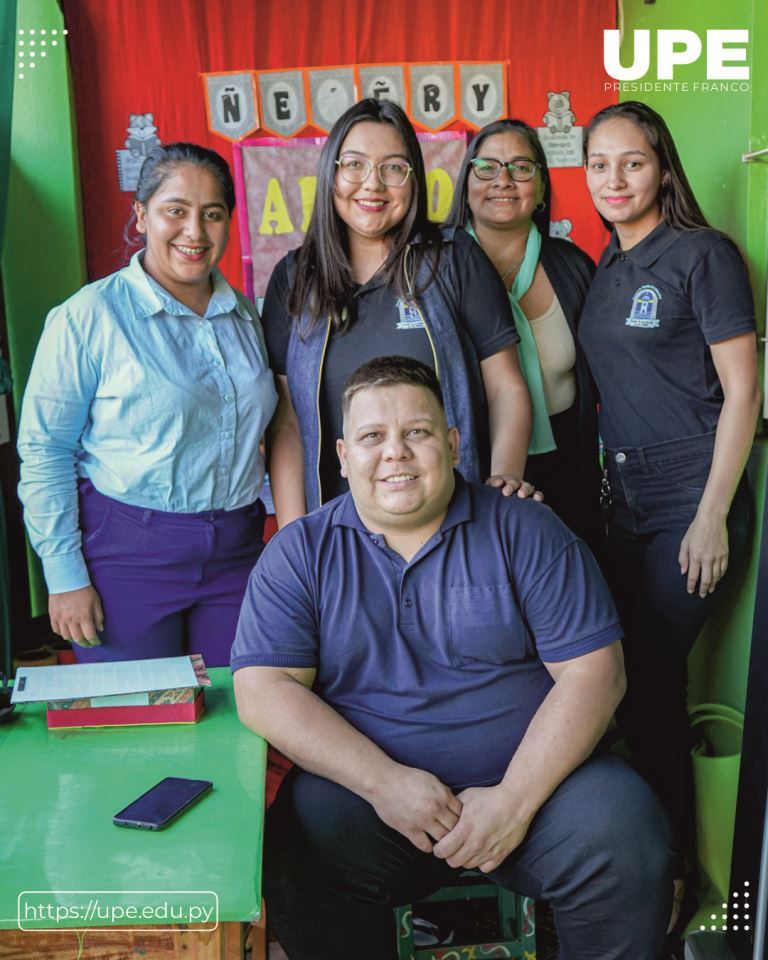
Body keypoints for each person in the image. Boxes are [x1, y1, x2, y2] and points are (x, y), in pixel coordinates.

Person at [232, 356, 675, 960]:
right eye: (372, 436)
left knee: (627, 836)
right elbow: (264, 689)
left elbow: (596, 673)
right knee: (300, 848)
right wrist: (385, 784)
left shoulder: (527, 530)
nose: (395, 452)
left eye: (416, 431)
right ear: (342, 455)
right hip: (374, 802)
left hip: (537, 790)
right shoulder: (300, 553)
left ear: (452, 442)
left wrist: (513, 802)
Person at [579, 102, 760, 920]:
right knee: (619, 680)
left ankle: (672, 878)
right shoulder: (606, 264)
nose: (614, 179)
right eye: (599, 164)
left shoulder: (702, 254)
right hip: (622, 501)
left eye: (633, 162)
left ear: (662, 168)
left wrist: (712, 513)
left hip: (692, 494)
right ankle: (642, 864)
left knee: (646, 681)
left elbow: (743, 392)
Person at [17, 143, 278, 666]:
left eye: (212, 214)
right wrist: (63, 574)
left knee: (243, 701)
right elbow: (45, 450)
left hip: (237, 550)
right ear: (141, 215)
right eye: (175, 211)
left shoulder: (245, 315)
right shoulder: (89, 316)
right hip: (125, 556)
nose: (194, 232)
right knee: (140, 709)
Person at [261, 98, 534, 525]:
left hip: (452, 525)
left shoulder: (452, 258)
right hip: (337, 532)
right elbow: (288, 423)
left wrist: (501, 490)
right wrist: (295, 539)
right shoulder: (295, 277)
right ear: (331, 173)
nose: (372, 184)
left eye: (393, 167)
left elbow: (507, 388)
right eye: (354, 165)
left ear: (413, 178)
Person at [447, 119, 601, 543]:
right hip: (470, 467)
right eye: (487, 167)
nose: (503, 180)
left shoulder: (574, 267)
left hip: (569, 466)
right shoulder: (436, 269)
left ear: (542, 187)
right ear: (466, 183)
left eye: (521, 167)